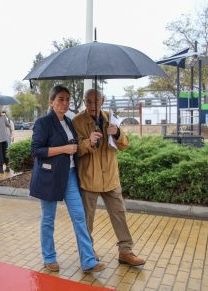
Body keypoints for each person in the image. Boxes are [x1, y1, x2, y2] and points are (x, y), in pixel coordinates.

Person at [30, 85, 105, 273]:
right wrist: (63, 149)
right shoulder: (43, 122)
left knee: (79, 217)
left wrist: (90, 141)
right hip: (50, 178)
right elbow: (36, 151)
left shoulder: (69, 122)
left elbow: (76, 146)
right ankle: (49, 257)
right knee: (48, 219)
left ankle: (88, 261)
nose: (64, 103)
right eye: (60, 99)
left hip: (70, 175)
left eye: (67, 100)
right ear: (51, 101)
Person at [72, 89, 146, 267]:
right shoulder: (77, 122)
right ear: (84, 102)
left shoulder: (111, 118)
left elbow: (124, 144)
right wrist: (87, 142)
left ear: (102, 100)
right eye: (88, 102)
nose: (92, 105)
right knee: (87, 219)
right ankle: (88, 250)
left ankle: (125, 251)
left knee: (119, 214)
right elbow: (75, 149)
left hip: (111, 178)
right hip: (89, 178)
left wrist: (118, 133)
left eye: (96, 101)